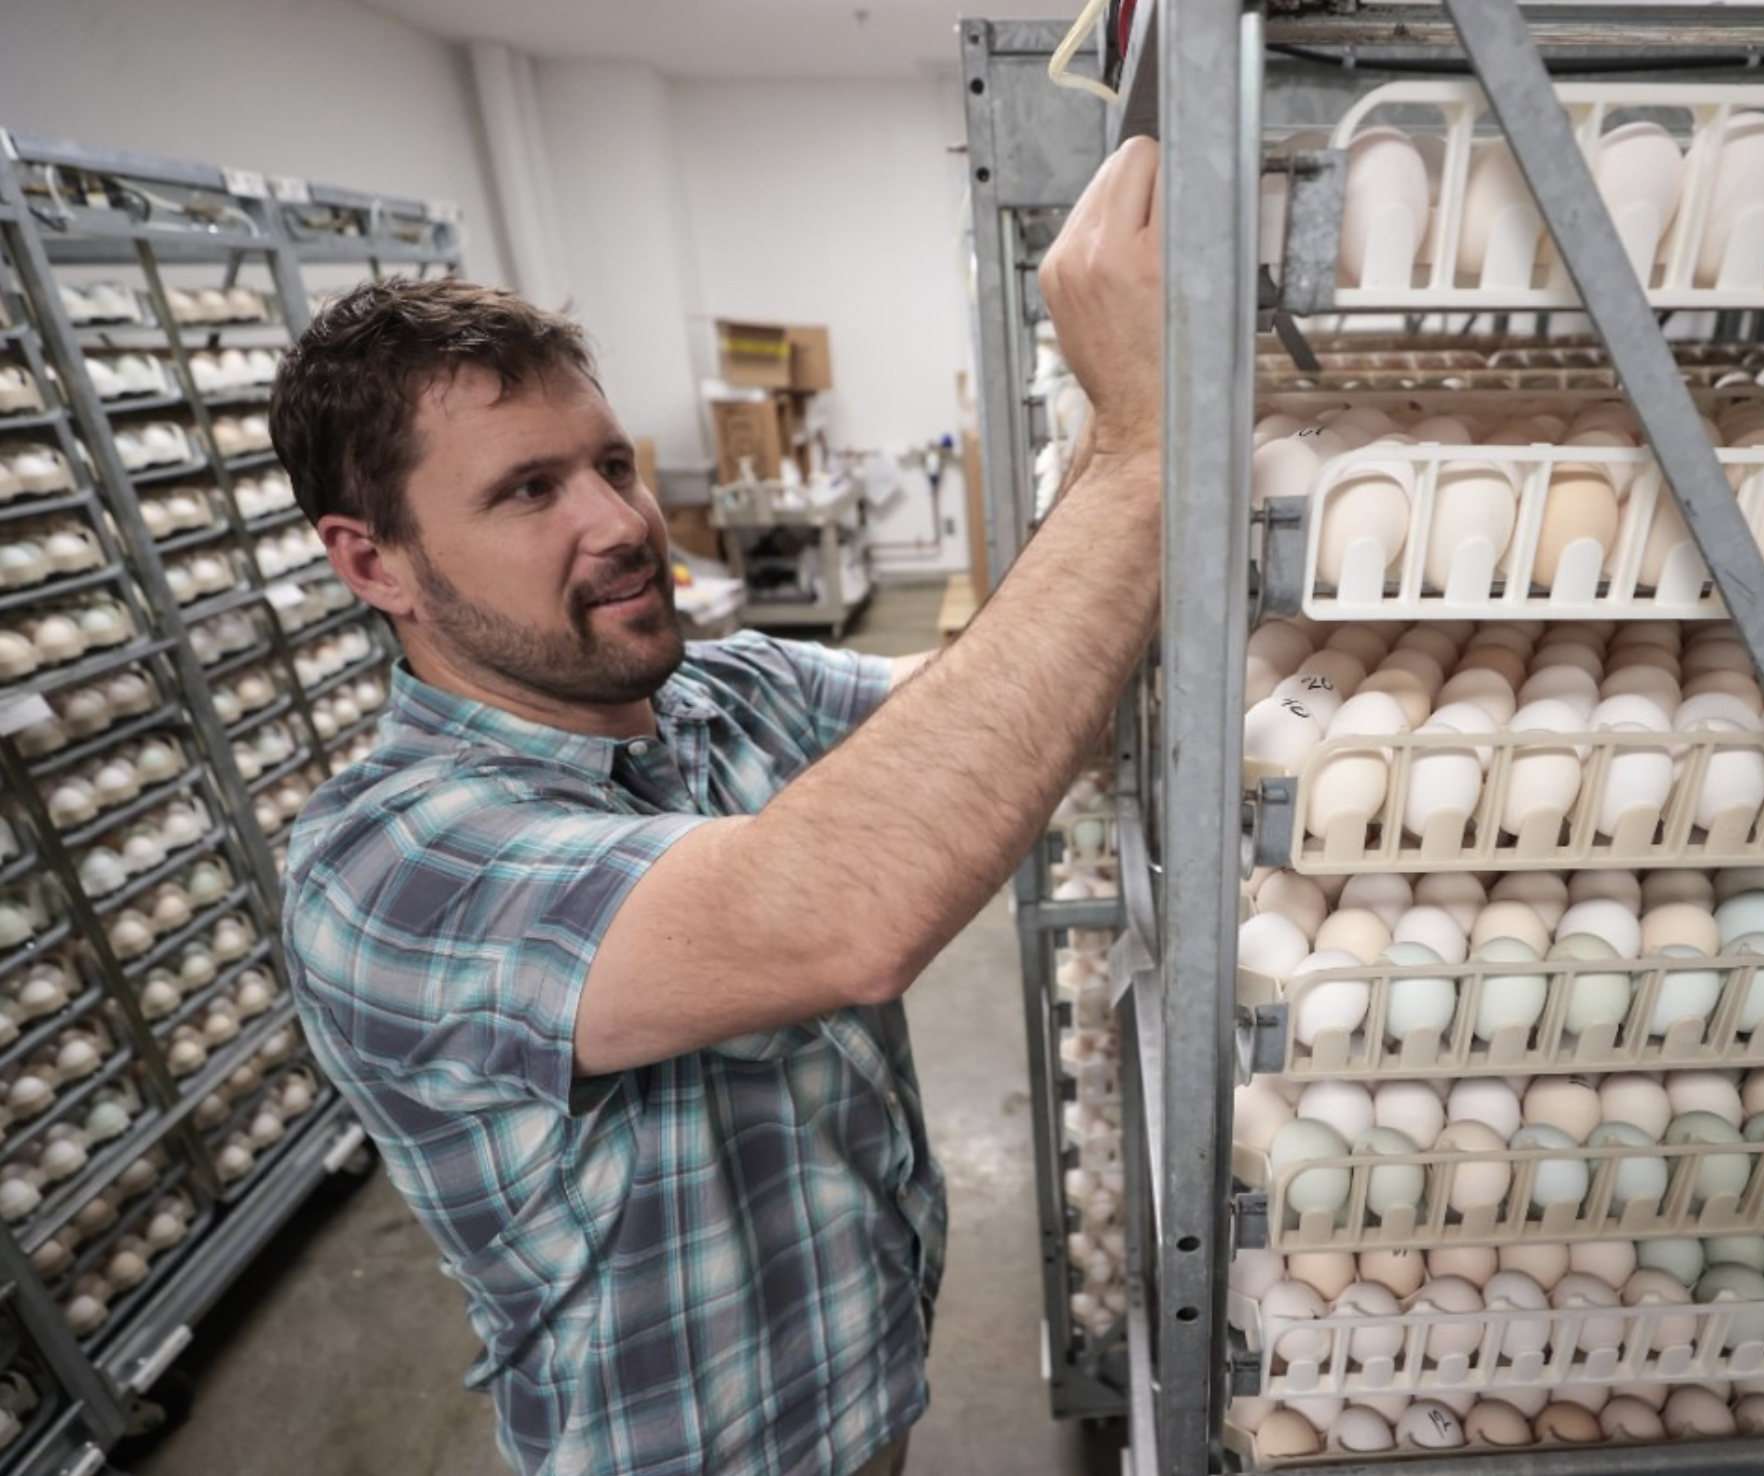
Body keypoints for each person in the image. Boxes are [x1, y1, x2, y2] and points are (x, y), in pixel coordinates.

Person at [269, 137, 1163, 1476]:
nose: (623, 522)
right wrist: (1150, 449)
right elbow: (846, 919)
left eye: (611, 465)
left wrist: (1114, 410)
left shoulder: (730, 693)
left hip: (863, 1395)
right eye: (527, 491)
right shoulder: (388, 865)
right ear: (373, 560)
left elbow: (1021, 701)